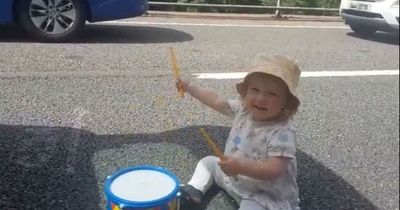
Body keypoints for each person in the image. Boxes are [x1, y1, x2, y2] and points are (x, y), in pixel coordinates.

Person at [176, 54, 302, 210]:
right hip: (233, 177)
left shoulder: (282, 132)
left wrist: (241, 167)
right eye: (255, 90)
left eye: (272, 94)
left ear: (286, 102)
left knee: (251, 207)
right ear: (245, 92)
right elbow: (216, 101)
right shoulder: (243, 110)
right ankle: (193, 190)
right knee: (208, 162)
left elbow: (274, 170)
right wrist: (190, 87)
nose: (261, 98)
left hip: (262, 193)